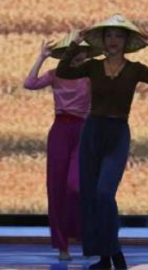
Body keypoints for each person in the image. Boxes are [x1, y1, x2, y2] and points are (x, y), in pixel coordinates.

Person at [57, 15, 148, 270]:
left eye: (118, 36)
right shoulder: (93, 66)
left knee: (105, 193)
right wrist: (75, 44)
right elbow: (63, 72)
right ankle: (105, 258)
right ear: (103, 40)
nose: (113, 40)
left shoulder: (135, 69)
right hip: (93, 132)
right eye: (109, 35)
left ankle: (115, 253)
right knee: (90, 196)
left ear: (126, 41)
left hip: (117, 133)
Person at [24, 32, 95, 261]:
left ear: (87, 53)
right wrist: (42, 57)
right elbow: (29, 84)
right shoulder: (56, 74)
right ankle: (63, 246)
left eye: (82, 51)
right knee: (56, 189)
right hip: (60, 131)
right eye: (72, 51)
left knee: (76, 186)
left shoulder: (91, 76)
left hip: (84, 131)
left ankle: (82, 232)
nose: (77, 55)